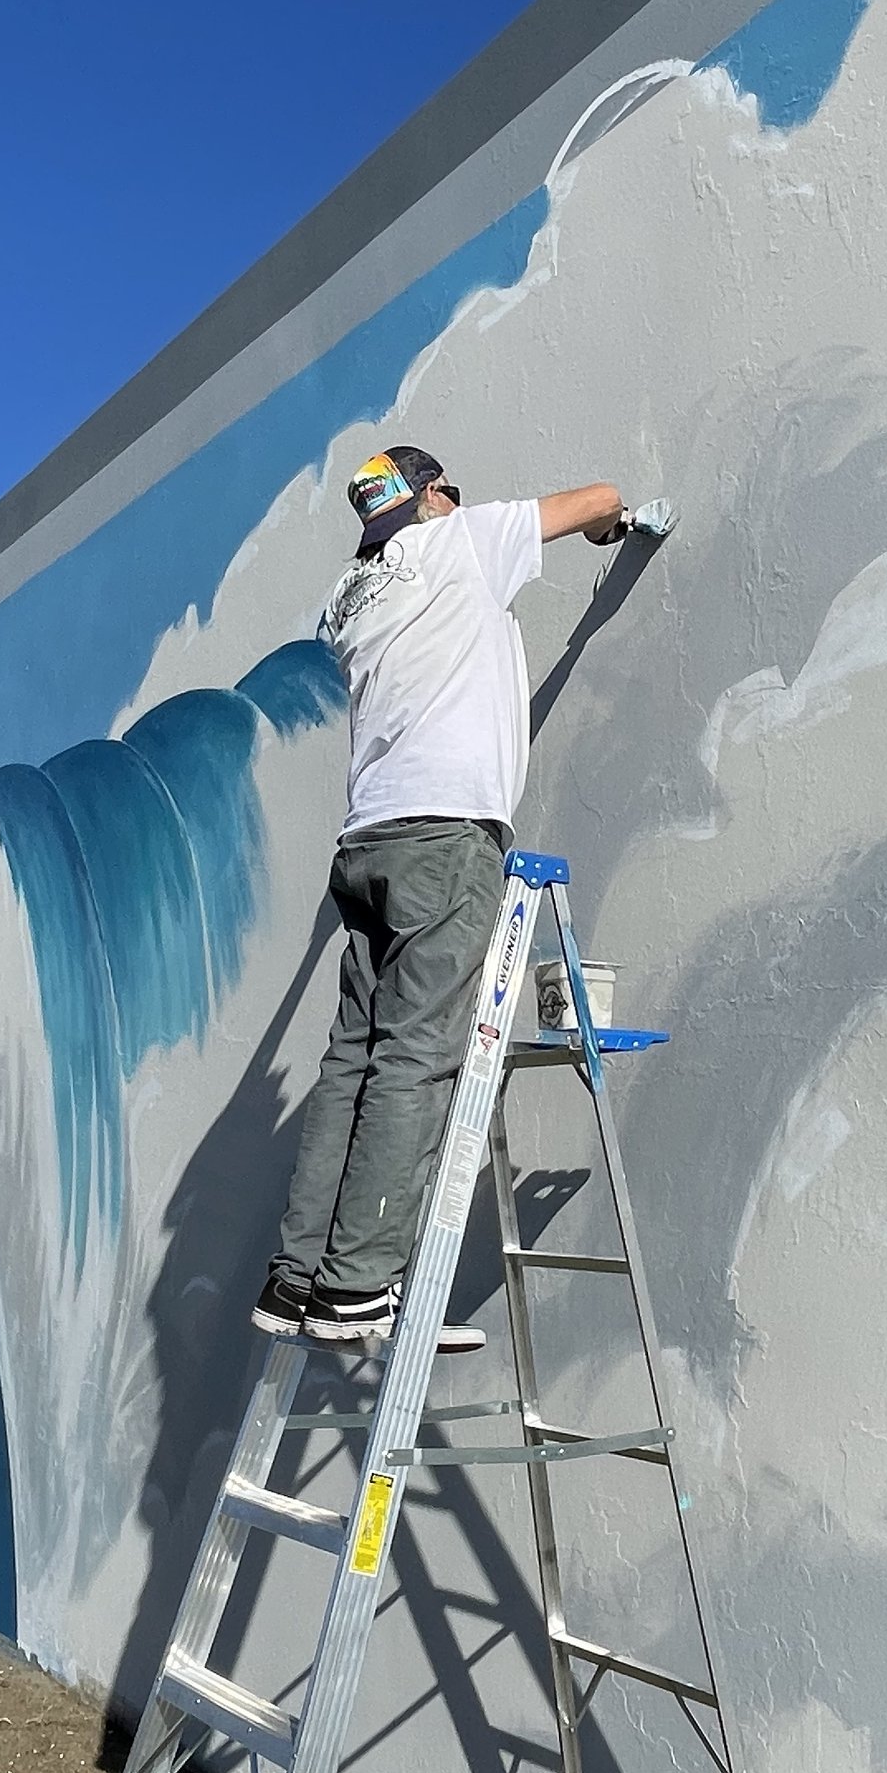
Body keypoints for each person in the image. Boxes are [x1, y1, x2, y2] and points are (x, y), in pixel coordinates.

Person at [252, 443, 630, 1347]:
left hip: (367, 841)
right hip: (447, 835)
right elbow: (599, 495)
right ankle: (357, 1286)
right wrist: (613, 524)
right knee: (416, 1055)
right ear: (437, 496)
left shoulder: (351, 597)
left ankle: (298, 1276)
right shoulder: (459, 539)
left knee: (354, 1058)